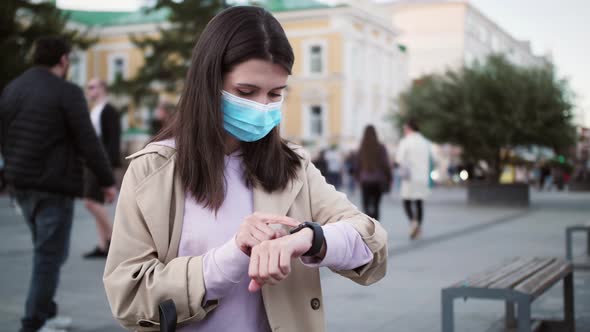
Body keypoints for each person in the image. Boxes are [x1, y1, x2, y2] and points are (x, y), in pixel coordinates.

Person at [103, 7, 387, 332]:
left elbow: (372, 247)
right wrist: (232, 255)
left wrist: (309, 238)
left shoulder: (293, 165)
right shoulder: (153, 170)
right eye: (246, 92)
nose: (262, 106)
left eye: (276, 94)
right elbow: (127, 296)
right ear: (209, 81)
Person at [0, 36, 116, 332]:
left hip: (20, 186)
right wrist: (106, 180)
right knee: (49, 256)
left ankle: (47, 313)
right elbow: (88, 141)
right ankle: (34, 322)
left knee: (46, 251)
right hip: (53, 186)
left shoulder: (12, 90)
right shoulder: (67, 92)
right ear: (64, 60)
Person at [83, 78, 121, 258]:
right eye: (88, 87)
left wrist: (109, 166)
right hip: (93, 162)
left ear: (102, 88)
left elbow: (113, 140)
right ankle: (103, 245)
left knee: (90, 202)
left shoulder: (109, 110)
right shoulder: (95, 110)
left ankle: (116, 240)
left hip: (102, 163)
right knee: (95, 201)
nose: (89, 90)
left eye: (92, 87)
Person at [396, 119, 431, 240]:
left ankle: (413, 223)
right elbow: (433, 159)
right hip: (423, 177)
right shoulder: (425, 142)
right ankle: (418, 226)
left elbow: (399, 159)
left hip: (409, 177)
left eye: (404, 129)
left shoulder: (405, 142)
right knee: (419, 202)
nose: (404, 131)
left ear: (409, 129)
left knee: (406, 201)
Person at [356, 125, 391, 220]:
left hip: (365, 180)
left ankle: (369, 225)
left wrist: (358, 178)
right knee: (376, 205)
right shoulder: (381, 147)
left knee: (366, 205)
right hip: (378, 181)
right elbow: (386, 165)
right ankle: (376, 226)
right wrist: (389, 179)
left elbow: (357, 165)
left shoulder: (362, 148)